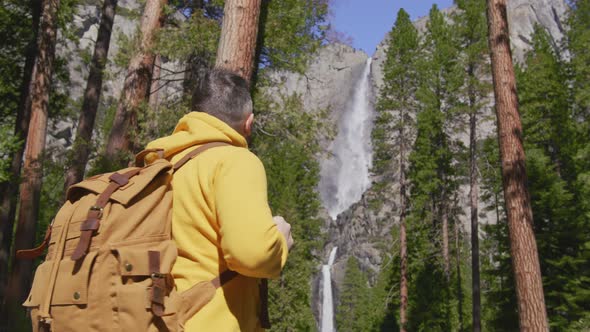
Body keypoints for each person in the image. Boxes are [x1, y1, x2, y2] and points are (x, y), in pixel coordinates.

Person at [144, 69, 294, 331]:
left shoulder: (156, 166)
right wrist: (280, 240)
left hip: (158, 319)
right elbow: (253, 254)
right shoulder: (234, 161)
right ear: (249, 123)